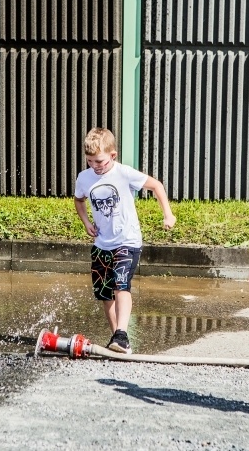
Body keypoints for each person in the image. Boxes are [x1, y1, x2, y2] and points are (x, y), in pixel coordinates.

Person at [74, 127, 176, 354]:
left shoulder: (124, 173)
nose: (95, 166)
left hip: (127, 241)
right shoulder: (84, 177)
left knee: (121, 285)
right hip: (101, 243)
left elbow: (156, 186)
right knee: (104, 292)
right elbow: (78, 200)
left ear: (113, 155)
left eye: (99, 161)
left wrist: (168, 214)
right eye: (90, 161)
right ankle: (118, 338)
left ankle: (121, 334)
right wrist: (86, 222)